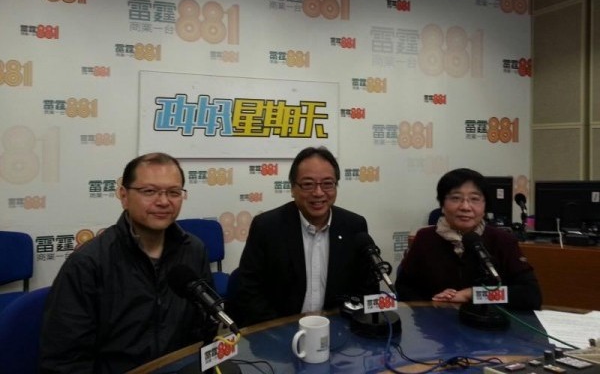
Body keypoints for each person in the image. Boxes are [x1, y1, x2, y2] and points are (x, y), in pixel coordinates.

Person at [40, 152, 216, 373]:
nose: (163, 202)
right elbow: (65, 361)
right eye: (149, 191)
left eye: (173, 192)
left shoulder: (193, 250)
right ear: (124, 196)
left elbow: (204, 326)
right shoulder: (89, 263)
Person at [229, 146, 379, 327]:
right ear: (293, 188)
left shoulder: (354, 226)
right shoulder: (267, 227)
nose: (318, 193)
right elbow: (249, 290)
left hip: (338, 328)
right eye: (308, 184)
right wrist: (279, 331)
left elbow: (366, 287)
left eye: (327, 183)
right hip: (280, 330)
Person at [395, 168, 542, 310]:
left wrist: (472, 294)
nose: (465, 207)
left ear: (485, 206)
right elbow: (404, 287)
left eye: (474, 199)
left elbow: (531, 295)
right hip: (437, 321)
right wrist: (433, 303)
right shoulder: (425, 238)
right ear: (442, 205)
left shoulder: (502, 240)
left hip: (489, 323)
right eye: (455, 198)